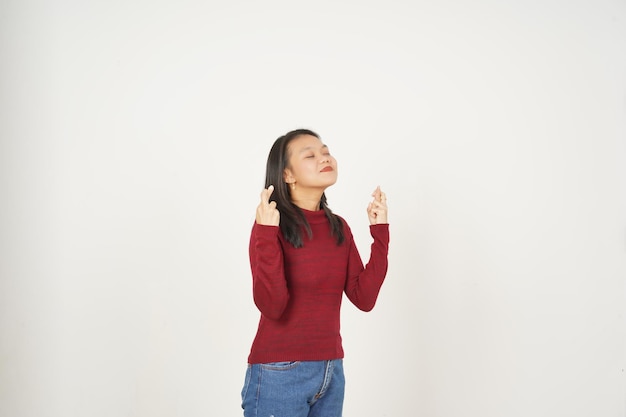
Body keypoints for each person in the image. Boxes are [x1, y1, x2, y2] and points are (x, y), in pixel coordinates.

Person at [241, 128, 389, 417]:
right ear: (287, 175)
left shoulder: (339, 227)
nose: (325, 158)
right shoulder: (270, 225)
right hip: (279, 372)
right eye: (310, 155)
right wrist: (267, 234)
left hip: (331, 371)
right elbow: (273, 305)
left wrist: (380, 233)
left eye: (325, 151)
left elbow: (364, 298)